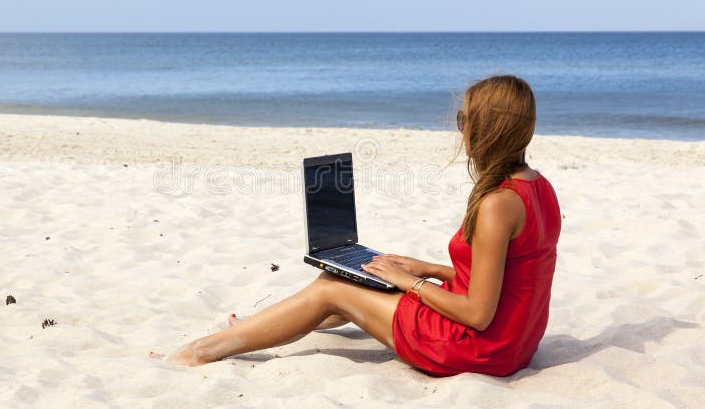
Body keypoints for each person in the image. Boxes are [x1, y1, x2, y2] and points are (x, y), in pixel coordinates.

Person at [162, 75, 561, 377]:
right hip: (516, 341)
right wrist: (424, 268)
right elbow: (507, 277)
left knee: (332, 289)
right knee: (360, 276)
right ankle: (258, 326)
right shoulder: (538, 187)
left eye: (464, 120)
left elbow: (477, 314)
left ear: (487, 129)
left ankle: (203, 351)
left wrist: (412, 285)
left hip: (479, 347)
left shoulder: (497, 205)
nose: (460, 129)